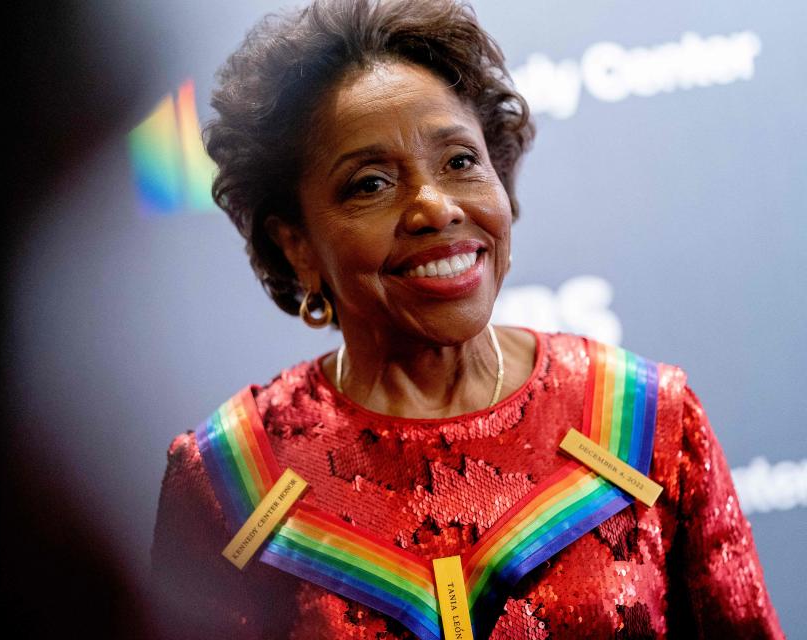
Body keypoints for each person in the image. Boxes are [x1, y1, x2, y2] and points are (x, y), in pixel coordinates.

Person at [150, 1, 784, 637]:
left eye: (459, 162)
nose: (436, 207)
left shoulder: (645, 420)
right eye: (370, 184)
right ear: (298, 246)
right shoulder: (230, 481)